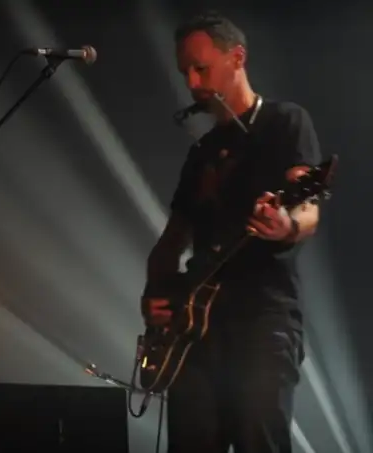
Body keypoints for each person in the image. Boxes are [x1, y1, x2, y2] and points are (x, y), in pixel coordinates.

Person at [141, 10, 322, 453]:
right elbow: (170, 244)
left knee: (258, 438)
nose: (192, 84)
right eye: (185, 71)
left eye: (200, 68)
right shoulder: (202, 152)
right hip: (194, 333)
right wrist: (154, 297)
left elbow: (308, 207)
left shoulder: (286, 122)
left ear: (237, 57)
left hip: (264, 319)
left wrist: (285, 226)